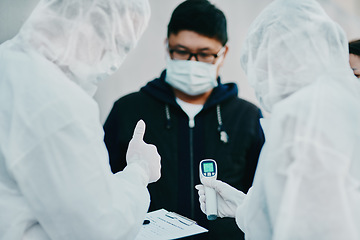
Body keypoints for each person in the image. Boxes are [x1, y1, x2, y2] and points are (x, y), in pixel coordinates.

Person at [196, 0, 360, 239]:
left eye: (268, 62)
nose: (264, 75)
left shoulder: (300, 116)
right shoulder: (343, 107)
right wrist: (246, 207)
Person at [0, 0, 161, 239]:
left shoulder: (8, 61)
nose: (115, 61)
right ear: (87, 25)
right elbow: (99, 227)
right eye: (118, 44)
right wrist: (139, 170)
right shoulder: (59, 102)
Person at [103, 0, 265, 239]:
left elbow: (262, 200)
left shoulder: (247, 117)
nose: (192, 63)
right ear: (167, 47)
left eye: (205, 54)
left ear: (224, 53)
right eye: (182, 51)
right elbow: (102, 192)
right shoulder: (128, 110)